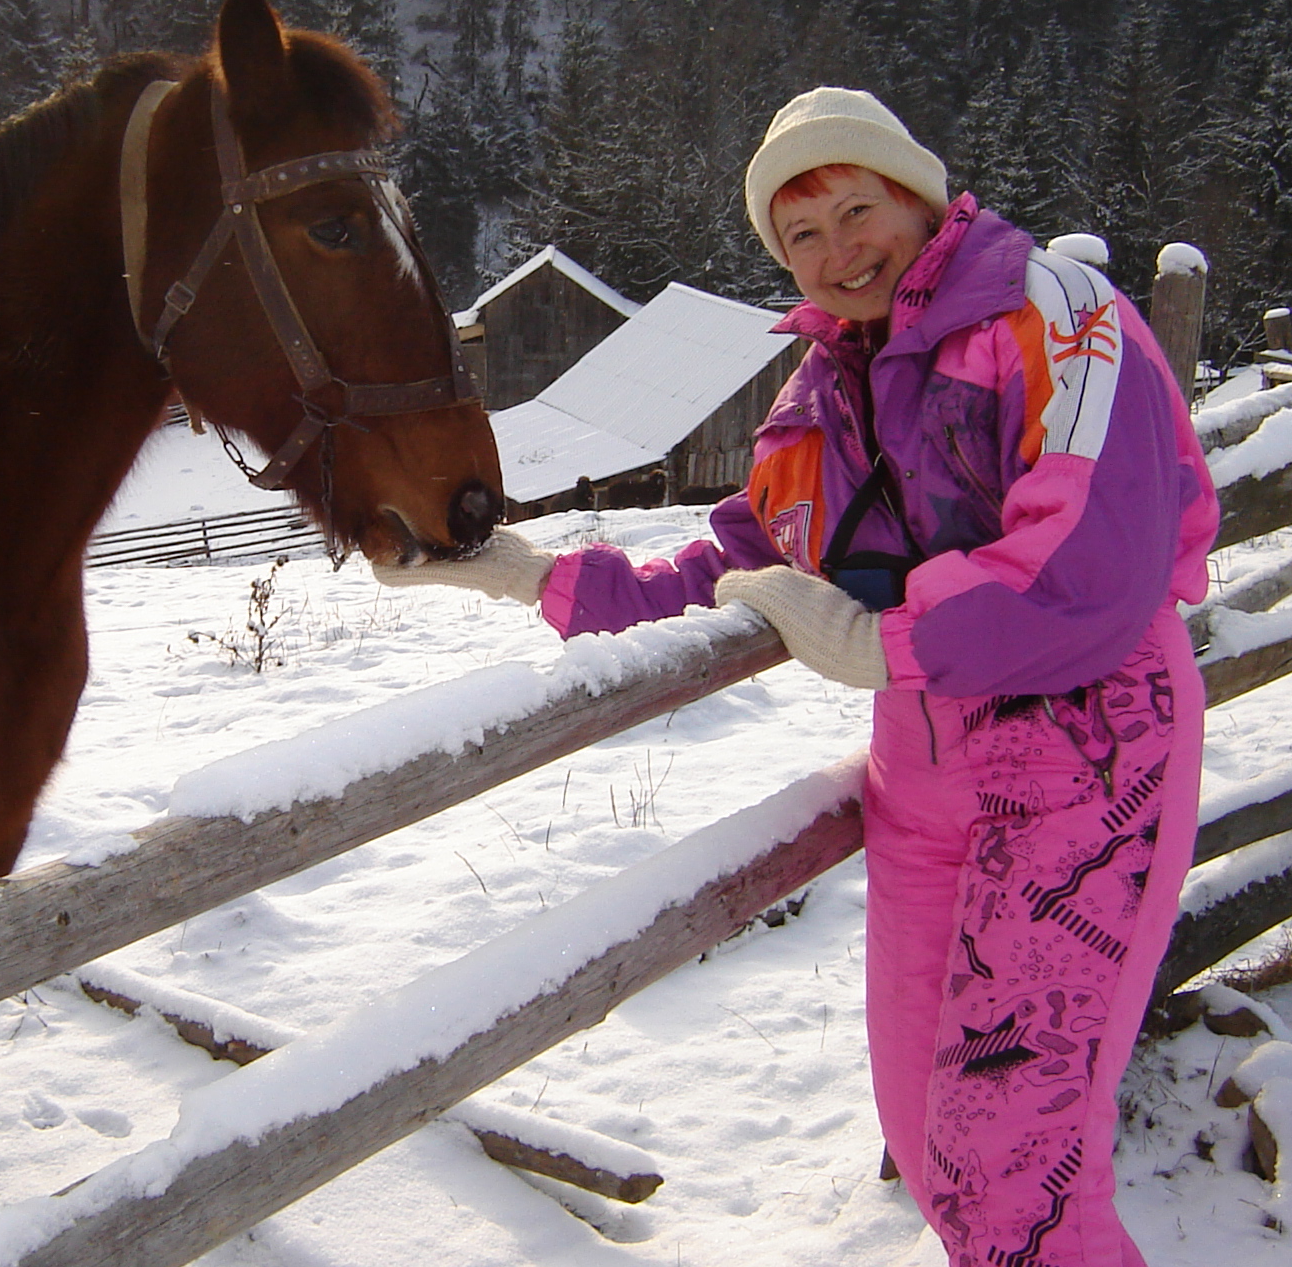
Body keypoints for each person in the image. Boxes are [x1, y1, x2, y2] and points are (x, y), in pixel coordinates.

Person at [381, 86, 1215, 1267]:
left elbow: (1090, 563)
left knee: (1012, 1173)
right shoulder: (823, 390)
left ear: (918, 199)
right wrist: (528, 576)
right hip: (921, 778)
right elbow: (733, 567)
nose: (837, 253)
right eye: (802, 234)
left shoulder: (1055, 315)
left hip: (1086, 768)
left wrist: (882, 645)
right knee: (930, 1146)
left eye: (857, 211)